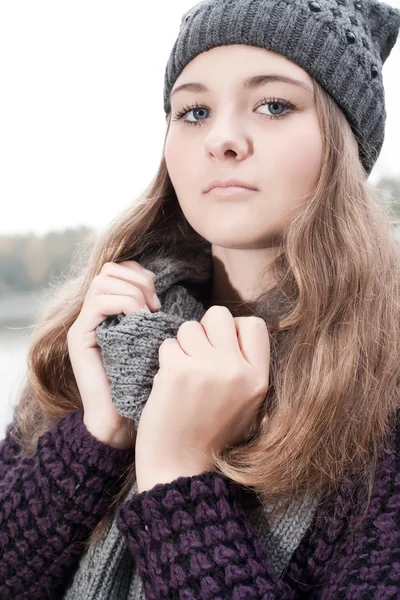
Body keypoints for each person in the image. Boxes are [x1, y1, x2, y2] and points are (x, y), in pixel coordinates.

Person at [1, 0, 400, 598]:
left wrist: (177, 474)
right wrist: (96, 434)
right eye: (193, 110)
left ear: (345, 146)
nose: (222, 138)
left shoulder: (384, 396)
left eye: (273, 105)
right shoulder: (105, 339)